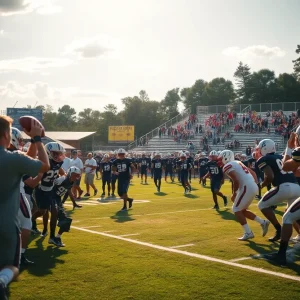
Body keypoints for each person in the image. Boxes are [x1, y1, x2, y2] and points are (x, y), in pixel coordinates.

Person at [0, 115, 49, 299]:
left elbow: (25, 162)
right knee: (11, 267)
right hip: (5, 225)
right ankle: (2, 281)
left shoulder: (14, 160)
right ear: (6, 135)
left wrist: (32, 144)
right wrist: (37, 139)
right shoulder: (12, 159)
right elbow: (44, 165)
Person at [256, 139, 300, 242]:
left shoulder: (263, 159)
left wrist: (262, 185)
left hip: (284, 187)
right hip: (297, 187)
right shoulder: (281, 156)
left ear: (264, 148)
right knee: (292, 214)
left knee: (262, 205)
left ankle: (278, 230)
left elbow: (270, 176)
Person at [219, 150, 270, 240]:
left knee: (236, 209)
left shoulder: (228, 166)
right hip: (251, 186)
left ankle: (248, 232)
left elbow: (236, 180)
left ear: (226, 157)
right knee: (242, 210)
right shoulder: (238, 162)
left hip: (247, 187)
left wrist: (234, 193)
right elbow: (253, 173)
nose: (220, 161)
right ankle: (263, 222)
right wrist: (255, 185)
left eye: (221, 158)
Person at [31, 142, 66, 248]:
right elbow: (34, 175)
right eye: (55, 153)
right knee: (42, 212)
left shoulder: (58, 163)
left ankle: (52, 237)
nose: (58, 156)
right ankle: (31, 220)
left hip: (51, 190)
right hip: (41, 190)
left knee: (54, 212)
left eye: (59, 153)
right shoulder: (42, 162)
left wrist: (62, 177)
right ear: (48, 153)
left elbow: (63, 172)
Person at [50, 166, 82, 247]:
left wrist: (74, 203)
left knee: (66, 220)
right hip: (51, 197)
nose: (76, 177)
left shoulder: (71, 182)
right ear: (70, 173)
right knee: (44, 212)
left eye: (77, 175)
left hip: (57, 199)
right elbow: (51, 185)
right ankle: (51, 237)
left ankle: (57, 238)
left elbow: (69, 191)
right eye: (75, 175)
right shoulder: (62, 179)